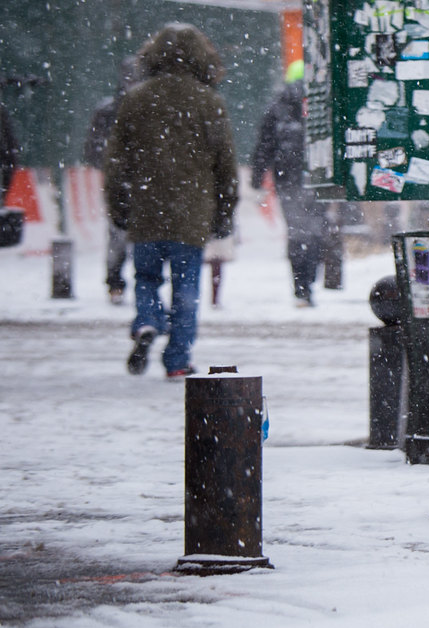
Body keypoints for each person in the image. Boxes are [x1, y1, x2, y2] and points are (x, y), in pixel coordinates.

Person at [104, 23, 238, 379]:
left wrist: (118, 205)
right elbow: (224, 164)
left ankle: (147, 320)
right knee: (186, 286)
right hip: (192, 212)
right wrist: (224, 212)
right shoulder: (209, 102)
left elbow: (116, 160)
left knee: (145, 276)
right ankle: (177, 359)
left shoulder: (136, 98)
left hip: (145, 207)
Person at [251, 59, 327, 308]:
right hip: (318, 179)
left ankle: (300, 287)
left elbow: (264, 146)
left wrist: (257, 178)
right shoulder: (321, 103)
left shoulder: (277, 107)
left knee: (296, 234)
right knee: (315, 231)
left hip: (287, 180)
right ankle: (310, 282)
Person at [83, 56, 142, 304]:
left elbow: (93, 151)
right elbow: (93, 150)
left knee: (123, 235)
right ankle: (118, 282)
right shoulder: (111, 111)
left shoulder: (114, 110)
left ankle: (121, 282)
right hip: (129, 181)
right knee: (120, 235)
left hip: (131, 180)